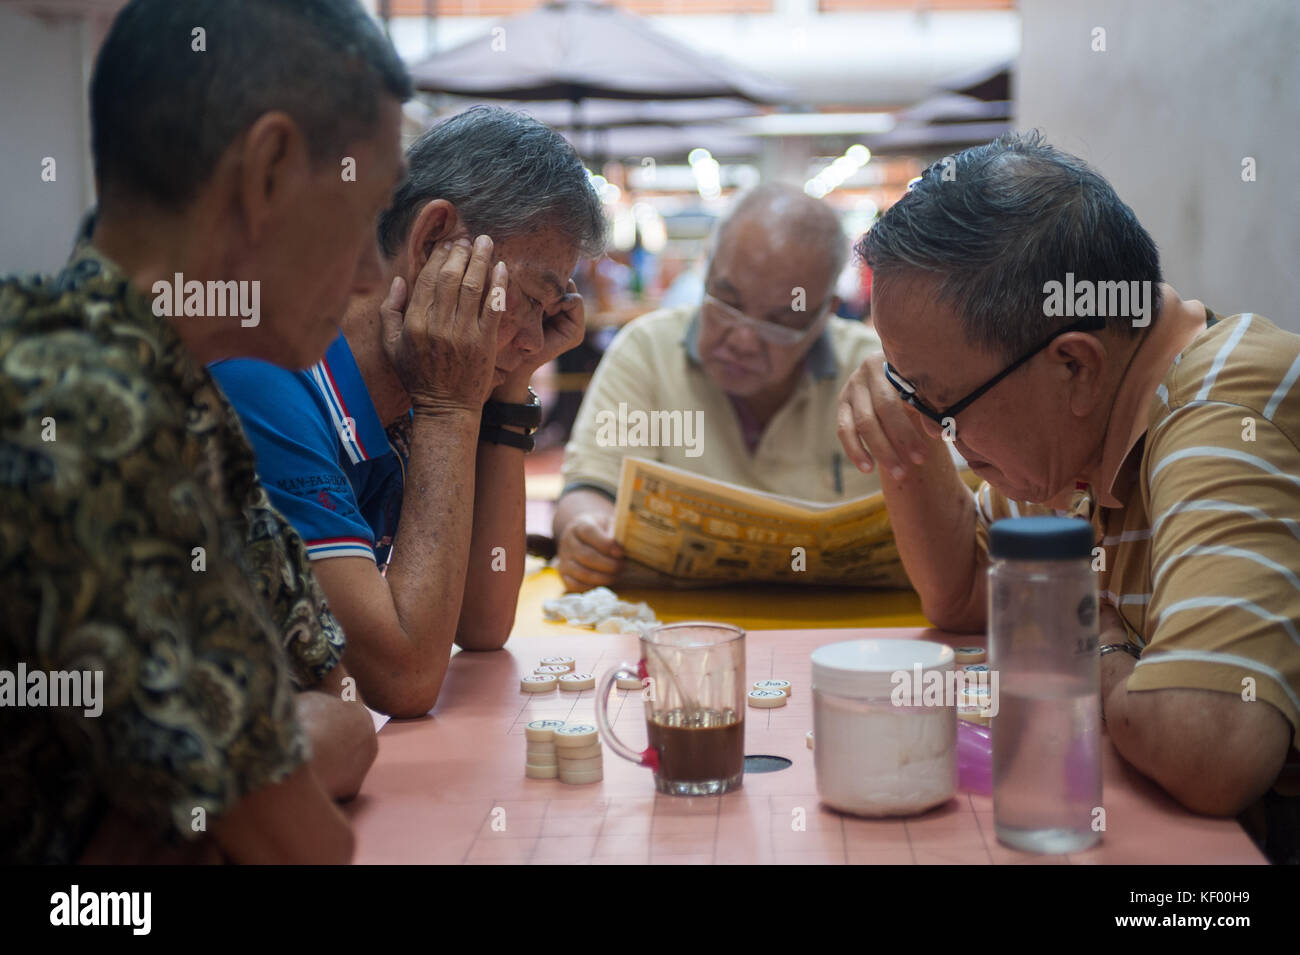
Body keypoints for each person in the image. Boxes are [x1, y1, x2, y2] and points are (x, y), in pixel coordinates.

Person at [0, 0, 410, 864]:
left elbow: (343, 711)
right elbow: (301, 841)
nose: (375, 274)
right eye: (368, 216)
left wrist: (185, 802)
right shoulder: (88, 405)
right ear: (266, 174)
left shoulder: (181, 391)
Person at [837, 132, 1299, 845]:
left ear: (1074, 368)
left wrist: (1090, 640)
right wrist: (907, 432)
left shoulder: (1219, 413)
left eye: (941, 404)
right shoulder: (1082, 426)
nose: (935, 426)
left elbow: (1213, 743)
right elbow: (965, 593)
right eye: (911, 393)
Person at [210, 107, 606, 718]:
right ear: (430, 241)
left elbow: (481, 623)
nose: (535, 335)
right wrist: (450, 409)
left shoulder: (410, 376)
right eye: (528, 299)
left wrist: (510, 382)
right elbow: (404, 677)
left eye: (548, 311)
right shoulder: (261, 375)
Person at [554, 183, 884, 592]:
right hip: (674, 631)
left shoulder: (873, 373)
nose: (742, 340)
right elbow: (588, 487)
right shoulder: (648, 351)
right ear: (706, 270)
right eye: (726, 303)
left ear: (825, 313)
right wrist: (586, 532)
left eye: (779, 322)